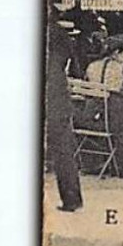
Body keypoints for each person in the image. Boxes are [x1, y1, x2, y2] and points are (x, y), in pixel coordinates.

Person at [44, 19, 83, 212]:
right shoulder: (62, 49)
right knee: (64, 154)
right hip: (60, 105)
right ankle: (72, 199)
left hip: (51, 104)